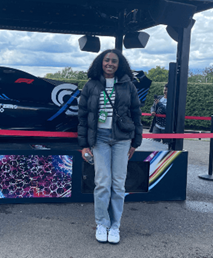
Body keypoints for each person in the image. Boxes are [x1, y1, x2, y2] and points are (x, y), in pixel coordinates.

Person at [77, 49, 142, 244]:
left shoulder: (128, 85)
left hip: (122, 139)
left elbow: (136, 113)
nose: (110, 63)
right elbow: (82, 116)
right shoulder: (91, 85)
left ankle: (115, 226)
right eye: (107, 60)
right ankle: (102, 224)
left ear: (119, 64)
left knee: (118, 184)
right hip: (100, 139)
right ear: (100, 62)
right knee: (102, 182)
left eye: (114, 61)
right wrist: (84, 145)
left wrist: (135, 143)